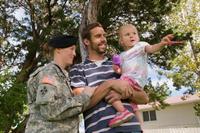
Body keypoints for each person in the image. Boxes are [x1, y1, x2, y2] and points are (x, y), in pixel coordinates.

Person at [69, 22, 149, 133]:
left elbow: (144, 98)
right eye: (98, 36)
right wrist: (110, 84)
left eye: (104, 35)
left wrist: (124, 93)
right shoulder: (78, 69)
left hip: (132, 128)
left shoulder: (119, 65)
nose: (103, 39)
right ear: (86, 42)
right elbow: (81, 104)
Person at [109, 24, 183, 128]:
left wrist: (162, 44)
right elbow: (121, 70)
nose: (132, 36)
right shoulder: (121, 56)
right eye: (127, 34)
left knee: (111, 91)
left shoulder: (140, 46)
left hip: (133, 80)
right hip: (129, 80)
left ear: (138, 37)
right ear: (121, 41)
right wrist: (116, 69)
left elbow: (152, 48)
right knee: (134, 107)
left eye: (134, 33)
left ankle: (122, 111)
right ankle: (142, 127)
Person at [25, 35, 97, 133]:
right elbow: (50, 110)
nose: (74, 54)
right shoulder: (49, 72)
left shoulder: (63, 76)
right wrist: (85, 96)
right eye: (71, 49)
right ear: (58, 50)